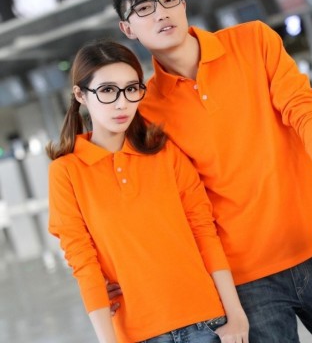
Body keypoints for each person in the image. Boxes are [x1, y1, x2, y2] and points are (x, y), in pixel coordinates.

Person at [106, 0, 312, 342]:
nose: (161, 13)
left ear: (183, 3)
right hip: (245, 283)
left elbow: (305, 114)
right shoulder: (146, 110)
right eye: (144, 8)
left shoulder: (254, 41)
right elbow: (157, 205)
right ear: (127, 28)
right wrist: (117, 272)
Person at [47, 39, 249, 343]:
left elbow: (204, 232)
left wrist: (236, 316)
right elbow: (83, 261)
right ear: (80, 95)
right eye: (107, 90)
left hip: (207, 323)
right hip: (137, 334)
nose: (122, 103)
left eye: (131, 89)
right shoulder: (66, 172)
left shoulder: (167, 154)